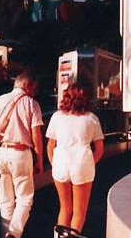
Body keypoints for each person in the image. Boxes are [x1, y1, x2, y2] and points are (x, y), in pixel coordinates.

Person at [0, 72, 44, 238]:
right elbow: (36, 135)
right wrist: (40, 160)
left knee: (5, 202)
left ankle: (6, 234)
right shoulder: (32, 104)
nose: (35, 92)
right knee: (25, 199)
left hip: (1, 154)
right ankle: (14, 234)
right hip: (21, 153)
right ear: (27, 86)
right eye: (34, 88)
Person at [46, 83, 104, 236]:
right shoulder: (91, 118)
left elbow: (50, 145)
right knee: (79, 211)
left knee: (64, 208)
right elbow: (99, 149)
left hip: (60, 162)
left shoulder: (56, 116)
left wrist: (54, 163)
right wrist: (90, 163)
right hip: (82, 163)